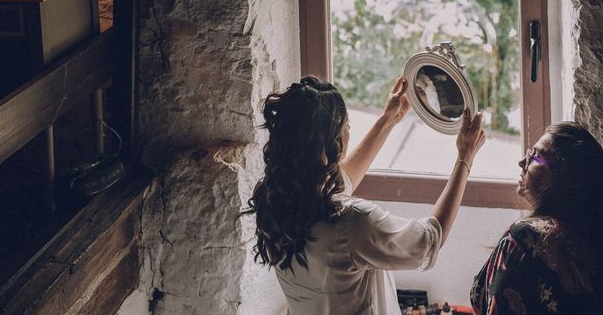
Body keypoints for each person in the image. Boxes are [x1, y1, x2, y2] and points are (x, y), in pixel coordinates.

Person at [246, 75, 485, 314]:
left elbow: (342, 181)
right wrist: (465, 158)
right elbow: (429, 240)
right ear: (333, 142)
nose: (349, 131)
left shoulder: (274, 199)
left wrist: (388, 120)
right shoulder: (352, 221)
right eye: (346, 127)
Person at [471, 122, 603, 314]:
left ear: (565, 179)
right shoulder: (588, 236)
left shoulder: (526, 236)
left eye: (536, 157)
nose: (522, 162)